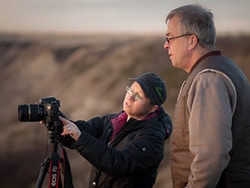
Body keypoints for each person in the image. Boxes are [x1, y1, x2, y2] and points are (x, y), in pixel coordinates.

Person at [163, 4, 250, 188]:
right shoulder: (226, 67)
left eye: (170, 38)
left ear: (191, 41)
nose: (166, 45)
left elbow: (211, 157)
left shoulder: (208, 80)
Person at [59, 72, 172, 188]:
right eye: (131, 90)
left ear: (153, 108)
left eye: (138, 96)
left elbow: (118, 163)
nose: (130, 97)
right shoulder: (114, 120)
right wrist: (53, 118)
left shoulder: (152, 138)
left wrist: (80, 137)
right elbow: (76, 132)